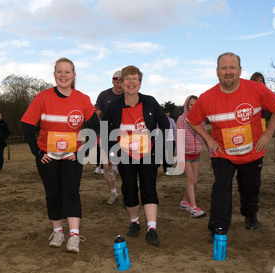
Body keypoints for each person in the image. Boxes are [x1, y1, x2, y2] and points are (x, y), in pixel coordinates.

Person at [187, 52, 275, 241]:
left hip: (252, 152)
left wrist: (268, 133)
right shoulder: (207, 97)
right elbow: (192, 120)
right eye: (224, 68)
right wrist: (208, 139)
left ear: (240, 70)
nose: (228, 72)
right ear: (217, 72)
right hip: (222, 153)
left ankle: (250, 214)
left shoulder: (256, 89)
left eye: (232, 67)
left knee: (250, 188)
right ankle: (218, 228)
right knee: (221, 188)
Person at [21, 57, 100, 254]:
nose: (63, 75)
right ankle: (58, 232)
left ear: (74, 75)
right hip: (48, 157)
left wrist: (82, 152)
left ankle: (74, 236)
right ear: (54, 74)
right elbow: (27, 125)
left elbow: (97, 127)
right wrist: (37, 152)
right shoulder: (42, 97)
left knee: (71, 193)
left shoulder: (82, 99)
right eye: (59, 71)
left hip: (71, 157)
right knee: (53, 194)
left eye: (67, 72)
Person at [102, 65, 170, 246]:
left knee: (149, 189)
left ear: (140, 82)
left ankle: (152, 229)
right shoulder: (114, 106)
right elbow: (105, 127)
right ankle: (135, 223)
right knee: (129, 189)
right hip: (125, 155)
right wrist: (111, 150)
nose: (131, 82)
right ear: (121, 83)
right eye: (127, 79)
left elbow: (164, 124)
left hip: (148, 154)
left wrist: (157, 145)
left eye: (135, 78)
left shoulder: (150, 102)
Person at [176, 95, 212, 218]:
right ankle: (193, 208)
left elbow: (207, 138)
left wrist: (212, 155)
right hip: (185, 155)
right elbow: (179, 139)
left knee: (195, 182)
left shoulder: (201, 120)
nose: (194, 107)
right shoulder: (181, 119)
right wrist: (180, 159)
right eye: (191, 104)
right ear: (187, 105)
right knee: (191, 180)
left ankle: (184, 202)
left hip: (196, 154)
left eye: (196, 105)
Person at [94, 70, 124, 204]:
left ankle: (128, 192)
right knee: (106, 165)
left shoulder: (129, 94)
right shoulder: (104, 95)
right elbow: (97, 114)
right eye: (116, 82)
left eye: (121, 82)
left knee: (127, 165)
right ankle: (113, 193)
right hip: (107, 133)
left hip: (125, 135)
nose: (119, 85)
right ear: (112, 81)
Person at [163, 107, 176, 174]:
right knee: (164, 155)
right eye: (165, 112)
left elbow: (175, 130)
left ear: (169, 113)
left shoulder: (171, 120)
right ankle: (165, 169)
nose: (166, 114)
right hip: (163, 141)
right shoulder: (159, 121)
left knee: (171, 155)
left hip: (171, 140)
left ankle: (169, 167)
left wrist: (176, 140)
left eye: (167, 112)